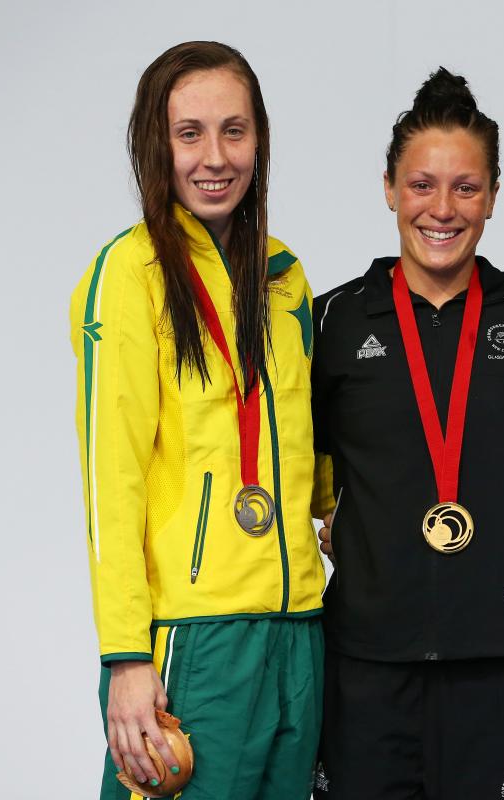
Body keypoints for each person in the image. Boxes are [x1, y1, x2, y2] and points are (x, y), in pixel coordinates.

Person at [310, 68, 504, 799]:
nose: (442, 208)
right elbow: (293, 459)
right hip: (367, 668)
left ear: (493, 194)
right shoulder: (333, 321)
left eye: (465, 187)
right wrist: (334, 512)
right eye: (422, 184)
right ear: (390, 188)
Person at [69, 41, 324, 800]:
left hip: (299, 628)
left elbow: (310, 442)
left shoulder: (284, 278)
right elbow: (108, 477)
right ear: (157, 143)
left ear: (260, 140)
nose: (215, 157)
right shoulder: (131, 273)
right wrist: (125, 656)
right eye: (190, 133)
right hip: (196, 636)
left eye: (234, 131)